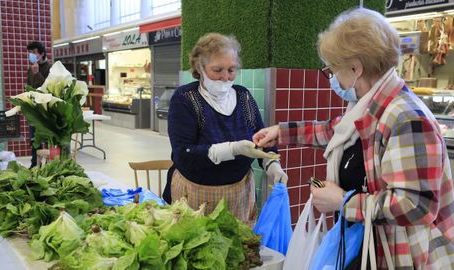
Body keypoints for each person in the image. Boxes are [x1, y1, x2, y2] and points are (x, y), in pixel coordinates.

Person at [253, 8, 454, 269]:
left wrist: (342, 201)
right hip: (367, 247)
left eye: (332, 69)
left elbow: (415, 205)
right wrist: (282, 131)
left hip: (399, 256)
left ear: (355, 68)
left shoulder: (407, 119)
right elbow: (334, 130)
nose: (333, 78)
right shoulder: (371, 106)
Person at [166, 33, 286, 227]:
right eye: (217, 70)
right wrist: (232, 149)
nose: (225, 77)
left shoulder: (244, 97)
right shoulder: (186, 99)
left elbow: (262, 138)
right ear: (199, 67)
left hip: (239, 194)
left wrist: (271, 164)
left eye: (231, 70)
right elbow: (183, 154)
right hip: (196, 195)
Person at [26, 41, 51, 168]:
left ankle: (47, 165)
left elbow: (48, 89)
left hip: (46, 111)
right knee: (34, 139)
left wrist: (37, 74)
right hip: (33, 110)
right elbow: (28, 88)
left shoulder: (50, 68)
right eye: (29, 52)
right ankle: (34, 164)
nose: (31, 55)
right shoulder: (30, 68)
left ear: (42, 54)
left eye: (33, 52)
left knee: (46, 139)